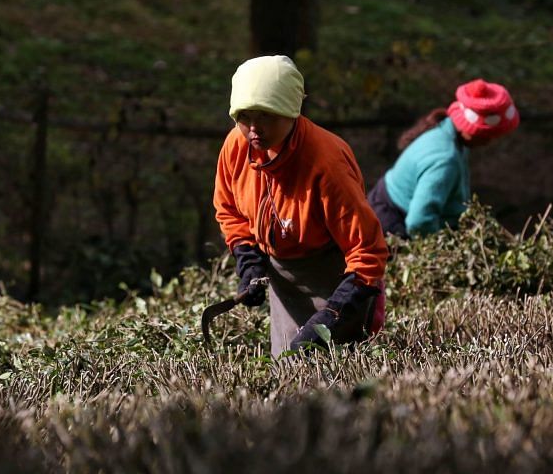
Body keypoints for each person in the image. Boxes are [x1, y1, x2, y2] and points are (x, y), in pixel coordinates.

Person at [213, 55, 389, 356]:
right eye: (244, 117)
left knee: (336, 376)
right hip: (283, 278)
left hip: (334, 278)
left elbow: (368, 252)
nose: (254, 128)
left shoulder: (326, 164)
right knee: (288, 371)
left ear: (290, 111)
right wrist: (249, 261)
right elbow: (228, 209)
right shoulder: (236, 146)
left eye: (266, 115)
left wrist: (334, 314)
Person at [367, 79, 520, 238]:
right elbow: (419, 222)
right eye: (490, 136)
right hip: (390, 224)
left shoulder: (452, 135)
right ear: (473, 130)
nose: (490, 142)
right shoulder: (445, 160)